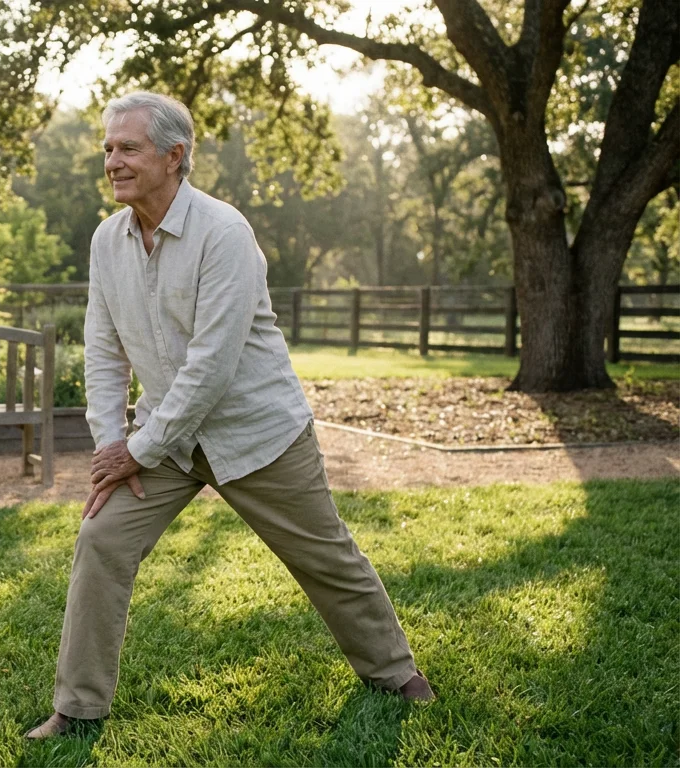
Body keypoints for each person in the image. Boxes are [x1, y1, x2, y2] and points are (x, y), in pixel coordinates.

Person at [25, 91, 434, 740]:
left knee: (326, 558)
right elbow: (102, 351)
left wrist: (138, 447)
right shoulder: (109, 240)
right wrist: (112, 447)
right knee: (102, 538)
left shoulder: (223, 233)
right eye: (107, 149)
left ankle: (396, 673)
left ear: (174, 156)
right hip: (167, 443)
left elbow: (211, 366)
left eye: (127, 148)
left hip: (258, 434)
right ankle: (78, 710)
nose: (112, 161)